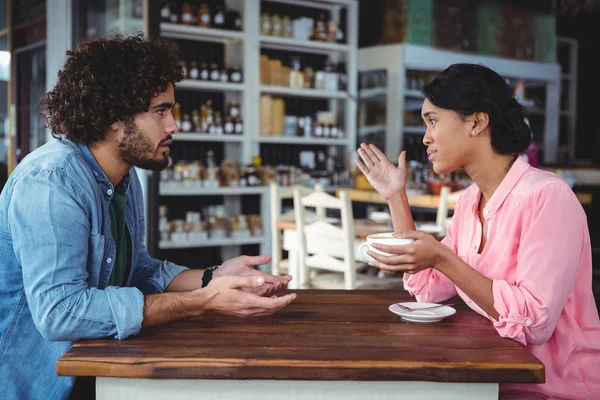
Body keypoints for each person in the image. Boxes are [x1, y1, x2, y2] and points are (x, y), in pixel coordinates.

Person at [0, 34, 296, 400]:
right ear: (112, 116)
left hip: (97, 368)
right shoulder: (51, 182)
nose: (174, 126)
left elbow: (136, 269)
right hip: (37, 385)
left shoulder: (124, 176)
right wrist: (201, 302)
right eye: (160, 111)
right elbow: (60, 312)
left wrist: (213, 277)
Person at [356, 63, 600, 399]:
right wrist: (396, 198)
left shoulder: (547, 197)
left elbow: (534, 323)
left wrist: (441, 257)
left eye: (433, 120)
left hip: (555, 388)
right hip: (488, 380)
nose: (426, 136)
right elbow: (427, 289)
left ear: (476, 121)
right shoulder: (470, 201)